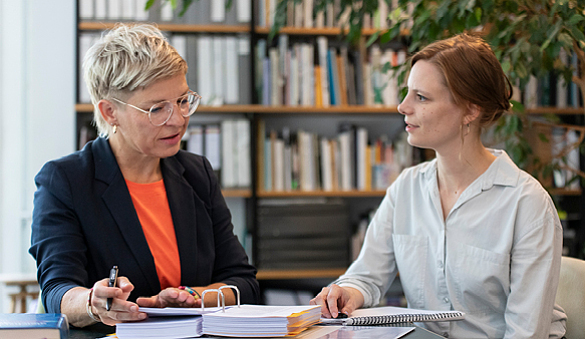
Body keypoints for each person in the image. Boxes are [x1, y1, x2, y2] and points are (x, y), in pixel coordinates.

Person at [310, 33, 567, 338]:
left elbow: (526, 333)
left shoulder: (527, 203)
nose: (402, 106)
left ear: (470, 110)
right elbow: (367, 275)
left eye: (421, 97)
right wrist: (349, 292)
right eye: (407, 93)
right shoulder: (406, 188)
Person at [29, 23, 259, 328]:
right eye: (156, 109)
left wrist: (195, 296)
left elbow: (242, 282)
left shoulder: (197, 173)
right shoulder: (65, 180)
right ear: (110, 112)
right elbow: (56, 292)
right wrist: (93, 303)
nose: (177, 120)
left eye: (182, 101)